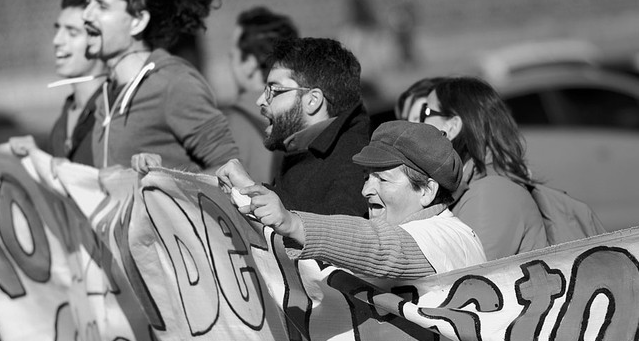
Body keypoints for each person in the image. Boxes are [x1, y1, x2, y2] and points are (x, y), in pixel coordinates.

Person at [222, 120, 486, 278]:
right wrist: (247, 193)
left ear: (427, 191)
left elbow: (382, 248)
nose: (366, 190)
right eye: (366, 177)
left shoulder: (449, 238)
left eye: (382, 179)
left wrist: (292, 223)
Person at [82, 0, 238, 172]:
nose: (86, 15)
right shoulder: (105, 94)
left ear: (137, 22)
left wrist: (165, 178)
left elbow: (230, 169)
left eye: (102, 6)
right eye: (87, 2)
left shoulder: (174, 83)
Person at [216, 37, 371, 217]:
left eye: (274, 90)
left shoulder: (357, 159)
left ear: (313, 100)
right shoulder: (299, 148)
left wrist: (251, 190)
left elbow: (341, 233)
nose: (260, 101)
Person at [420, 76, 548, 260]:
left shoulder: (492, 193)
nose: (418, 122)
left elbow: (467, 278)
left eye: (426, 111)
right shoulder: (473, 185)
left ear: (452, 126)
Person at [223, 6, 299, 184]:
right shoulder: (308, 112)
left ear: (249, 63)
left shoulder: (231, 125)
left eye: (232, 56)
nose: (229, 61)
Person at [48, 0, 108, 165]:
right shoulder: (62, 122)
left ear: (97, 39)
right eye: (58, 29)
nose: (57, 41)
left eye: (72, 33)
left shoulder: (116, 112)